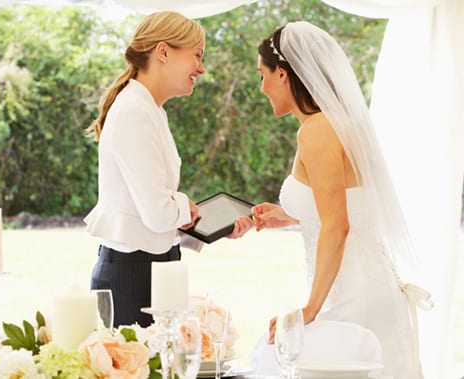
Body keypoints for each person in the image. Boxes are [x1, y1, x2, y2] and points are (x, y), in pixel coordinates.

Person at [230, 21, 432, 379]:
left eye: (262, 76)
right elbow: (348, 206)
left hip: (350, 300)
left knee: (276, 358)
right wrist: (291, 217)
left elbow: (338, 226)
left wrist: (309, 310)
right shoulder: (340, 124)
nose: (261, 88)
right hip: (368, 289)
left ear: (283, 73)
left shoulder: (317, 132)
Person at [83, 11, 205, 328]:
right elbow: (157, 214)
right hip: (132, 278)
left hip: (148, 270)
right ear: (163, 52)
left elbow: (150, 213)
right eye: (197, 56)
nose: (201, 69)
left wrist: (202, 225)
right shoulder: (135, 110)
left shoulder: (149, 108)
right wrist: (184, 206)